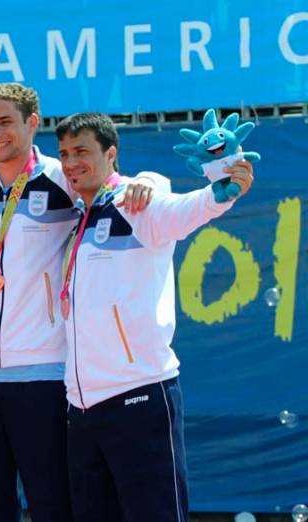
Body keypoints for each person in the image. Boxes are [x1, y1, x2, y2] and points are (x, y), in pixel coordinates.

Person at [0, 84, 156, 522]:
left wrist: (148, 180)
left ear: (32, 123)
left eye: (7, 122)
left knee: (52, 500)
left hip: (42, 369)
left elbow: (119, 187)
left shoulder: (61, 178)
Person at [54, 112, 254, 522]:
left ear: (111, 154)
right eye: (64, 154)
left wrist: (221, 192)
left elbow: (184, 209)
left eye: (82, 152)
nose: (71, 162)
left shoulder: (136, 204)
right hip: (81, 408)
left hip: (138, 396)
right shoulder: (79, 217)